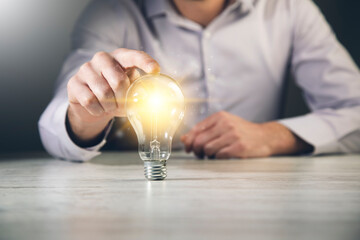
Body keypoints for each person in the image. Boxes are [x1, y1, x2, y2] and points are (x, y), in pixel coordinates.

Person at [39, 0, 360, 161]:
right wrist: (83, 114)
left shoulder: (289, 8)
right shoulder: (112, 12)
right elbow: (56, 124)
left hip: (254, 199)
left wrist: (274, 136)